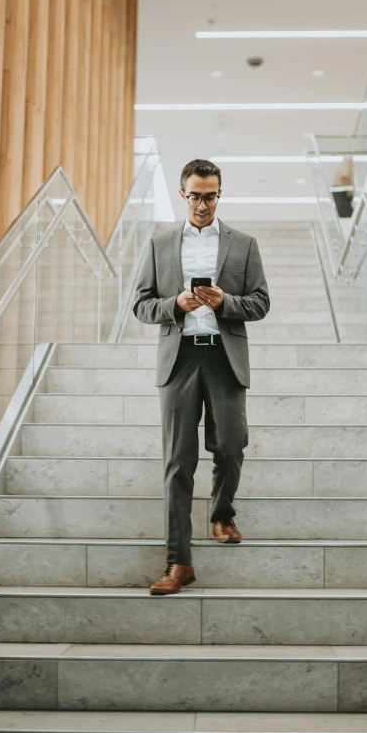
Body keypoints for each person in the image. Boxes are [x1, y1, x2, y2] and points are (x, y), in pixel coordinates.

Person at [132, 158, 270, 595]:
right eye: (195, 195)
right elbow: (141, 305)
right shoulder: (159, 245)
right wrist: (178, 304)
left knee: (230, 446)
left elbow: (261, 303)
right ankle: (178, 562)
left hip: (224, 360)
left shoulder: (243, 245)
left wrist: (225, 301)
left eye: (210, 196)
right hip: (180, 360)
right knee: (178, 463)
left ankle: (221, 512)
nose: (203, 204)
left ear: (220, 194)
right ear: (182, 195)